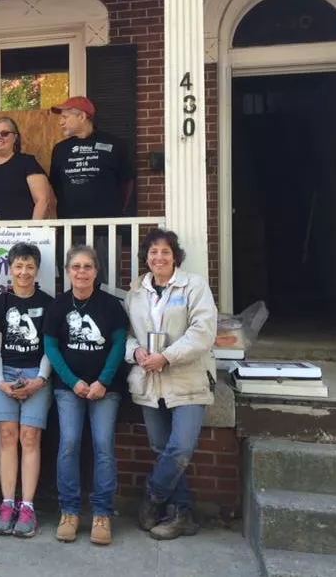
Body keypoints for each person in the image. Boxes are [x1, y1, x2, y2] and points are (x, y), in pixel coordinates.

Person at [124, 229, 218, 541]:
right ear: (146, 257)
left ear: (175, 256)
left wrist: (166, 357)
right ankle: (181, 514)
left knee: (180, 448)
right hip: (149, 382)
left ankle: (152, 495)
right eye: (153, 252)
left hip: (187, 378)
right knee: (160, 448)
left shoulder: (194, 286)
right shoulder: (135, 292)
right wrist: (135, 352)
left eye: (165, 251)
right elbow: (126, 335)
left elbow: (203, 332)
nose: (159, 257)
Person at [44, 245, 130, 545]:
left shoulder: (110, 305)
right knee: (69, 443)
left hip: (106, 388)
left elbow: (119, 344)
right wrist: (73, 382)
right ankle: (69, 511)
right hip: (69, 387)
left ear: (96, 271)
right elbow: (51, 347)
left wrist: (103, 381)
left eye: (87, 267)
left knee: (103, 445)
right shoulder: (58, 306)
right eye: (76, 267)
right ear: (68, 271)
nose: (81, 272)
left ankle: (102, 513)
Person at [0, 243, 54, 538]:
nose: (24, 272)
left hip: (36, 375)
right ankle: (7, 504)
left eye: (29, 267)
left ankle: (27, 507)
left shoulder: (48, 303)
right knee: (7, 435)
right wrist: (0, 381)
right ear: (10, 269)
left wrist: (40, 379)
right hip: (5, 374)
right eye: (18, 266)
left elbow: (50, 347)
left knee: (29, 436)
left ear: (37, 270)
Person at [48, 96, 135, 219]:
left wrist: (117, 210)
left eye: (65, 117)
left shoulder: (114, 144)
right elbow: (56, 185)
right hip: (70, 224)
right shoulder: (60, 149)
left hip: (107, 223)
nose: (60, 122)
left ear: (82, 117)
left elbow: (127, 182)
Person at [0, 117, 53, 220]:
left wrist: (33, 228)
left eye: (5, 133)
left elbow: (42, 200)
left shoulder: (27, 162)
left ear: (15, 137)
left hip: (20, 229)